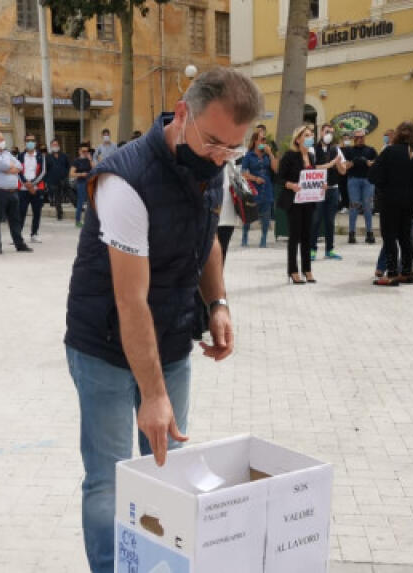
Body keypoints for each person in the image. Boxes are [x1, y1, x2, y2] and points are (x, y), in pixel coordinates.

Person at [64, 66, 256, 573]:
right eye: (215, 142)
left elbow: (209, 240)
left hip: (169, 339)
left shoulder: (213, 166)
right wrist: (151, 394)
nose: (221, 156)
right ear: (183, 113)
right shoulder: (124, 180)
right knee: (109, 477)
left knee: (170, 466)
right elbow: (131, 301)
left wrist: (217, 304)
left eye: (232, 149)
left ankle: (160, 562)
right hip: (104, 343)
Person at [369, 121, 413, 286]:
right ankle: (407, 273)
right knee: (405, 237)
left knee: (390, 237)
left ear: (398, 134)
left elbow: (373, 176)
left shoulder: (389, 151)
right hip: (409, 203)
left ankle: (392, 274)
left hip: (390, 201)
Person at [277, 125, 318, 284]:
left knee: (307, 237)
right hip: (293, 202)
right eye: (306, 135)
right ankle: (293, 271)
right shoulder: (289, 156)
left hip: (308, 201)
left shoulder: (312, 157)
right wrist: (291, 185)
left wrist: (320, 185)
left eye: (311, 135)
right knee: (294, 237)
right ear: (298, 139)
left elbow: (312, 176)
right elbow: (279, 179)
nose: (310, 138)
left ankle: (307, 270)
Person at [0, 131, 31, 254]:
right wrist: (10, 168)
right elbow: (4, 165)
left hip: (13, 191)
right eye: (1, 139)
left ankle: (19, 244)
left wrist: (10, 169)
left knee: (15, 219)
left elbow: (19, 166)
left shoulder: (6, 153)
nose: (3, 141)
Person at [311, 123, 347, 260]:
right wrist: (331, 163)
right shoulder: (313, 149)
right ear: (321, 132)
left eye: (331, 132)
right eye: (327, 132)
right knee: (315, 220)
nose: (329, 135)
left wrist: (337, 162)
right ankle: (312, 250)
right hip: (318, 190)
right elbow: (314, 167)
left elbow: (343, 171)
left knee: (330, 221)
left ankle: (329, 250)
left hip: (333, 190)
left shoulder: (336, 150)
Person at [239, 130, 276, 247]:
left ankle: (264, 238)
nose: (264, 142)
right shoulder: (249, 155)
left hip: (267, 188)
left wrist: (270, 154)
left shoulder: (267, 155)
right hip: (253, 189)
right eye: (262, 139)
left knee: (266, 215)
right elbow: (243, 172)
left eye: (265, 140)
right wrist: (255, 178)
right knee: (249, 213)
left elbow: (276, 169)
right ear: (255, 141)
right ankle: (245, 235)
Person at [344, 128, 378, 244]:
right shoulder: (349, 150)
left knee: (368, 207)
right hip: (353, 181)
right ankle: (351, 234)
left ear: (365, 137)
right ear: (354, 138)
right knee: (354, 206)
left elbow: (377, 163)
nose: (360, 139)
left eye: (362, 137)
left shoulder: (371, 150)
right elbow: (345, 166)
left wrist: (369, 162)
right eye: (357, 137)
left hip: (368, 181)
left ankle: (369, 233)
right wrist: (353, 162)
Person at [18, 134, 47, 243]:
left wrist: (33, 184)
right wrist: (26, 183)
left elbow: (43, 172)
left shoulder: (41, 156)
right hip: (23, 189)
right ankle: (18, 235)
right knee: (21, 212)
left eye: (32, 140)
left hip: (36, 189)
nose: (30, 142)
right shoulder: (20, 156)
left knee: (37, 213)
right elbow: (18, 171)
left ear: (35, 142)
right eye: (28, 140)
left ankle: (34, 234)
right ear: (25, 142)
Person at [217, 162, 242, 258]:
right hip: (225, 214)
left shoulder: (230, 161)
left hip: (226, 213)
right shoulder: (230, 160)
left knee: (220, 249)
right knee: (221, 249)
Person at [45, 139, 70, 221]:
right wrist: (47, 180)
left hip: (63, 179)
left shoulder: (64, 156)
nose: (55, 146)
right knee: (57, 197)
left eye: (56, 144)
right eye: (53, 145)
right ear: (51, 146)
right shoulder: (47, 157)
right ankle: (59, 213)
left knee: (70, 193)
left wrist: (66, 175)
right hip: (53, 180)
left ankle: (79, 207)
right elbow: (46, 169)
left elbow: (68, 166)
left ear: (59, 146)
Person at [70, 142, 93, 227]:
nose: (85, 152)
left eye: (87, 151)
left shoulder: (89, 160)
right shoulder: (76, 161)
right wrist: (80, 174)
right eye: (83, 151)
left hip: (90, 182)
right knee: (80, 202)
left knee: (90, 202)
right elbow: (71, 173)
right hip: (81, 183)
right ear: (79, 151)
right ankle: (78, 221)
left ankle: (89, 221)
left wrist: (90, 159)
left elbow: (95, 169)